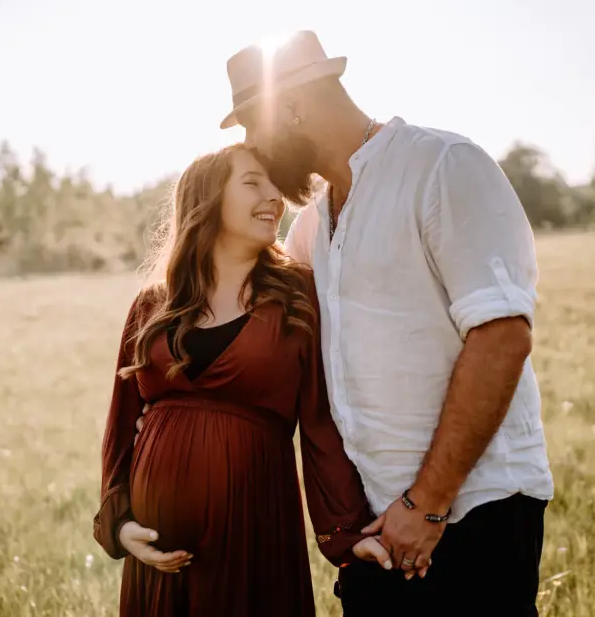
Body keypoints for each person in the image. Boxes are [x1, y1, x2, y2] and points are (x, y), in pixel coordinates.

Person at [215, 30, 554, 615]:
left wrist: (427, 506)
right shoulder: (309, 229)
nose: (255, 149)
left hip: (474, 514)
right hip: (375, 533)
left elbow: (501, 338)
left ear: (292, 108)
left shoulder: (441, 166)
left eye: (255, 127)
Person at [92, 143, 391, 616]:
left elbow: (318, 422)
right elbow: (120, 423)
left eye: (275, 184)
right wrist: (120, 523)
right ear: (207, 200)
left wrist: (346, 532)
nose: (275, 196)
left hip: (255, 528)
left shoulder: (296, 295)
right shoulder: (152, 307)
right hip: (159, 562)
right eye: (253, 182)